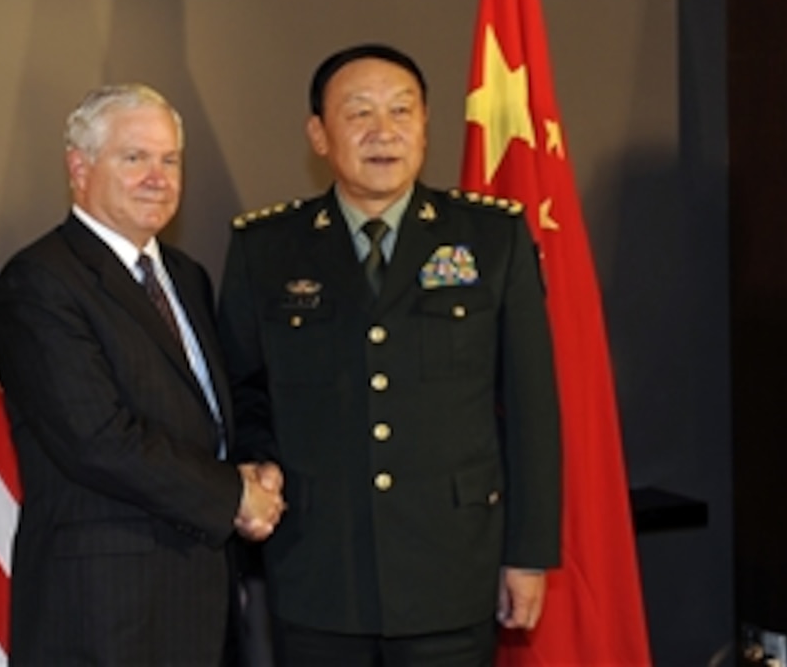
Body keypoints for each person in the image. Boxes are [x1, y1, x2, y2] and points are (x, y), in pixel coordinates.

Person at [217, 44, 561, 666]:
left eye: (402, 111)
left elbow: (532, 407)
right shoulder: (266, 249)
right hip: (318, 569)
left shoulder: (491, 237)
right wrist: (256, 464)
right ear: (318, 135)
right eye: (359, 114)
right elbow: (241, 391)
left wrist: (528, 553)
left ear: (427, 127)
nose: (385, 132)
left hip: (451, 568)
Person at [0, 83, 285, 666]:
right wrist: (232, 495)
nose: (158, 176)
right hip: (105, 612)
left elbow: (206, 415)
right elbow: (95, 438)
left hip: (200, 601)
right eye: (135, 158)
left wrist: (254, 464)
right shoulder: (40, 282)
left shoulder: (186, 276)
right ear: (80, 167)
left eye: (170, 159)